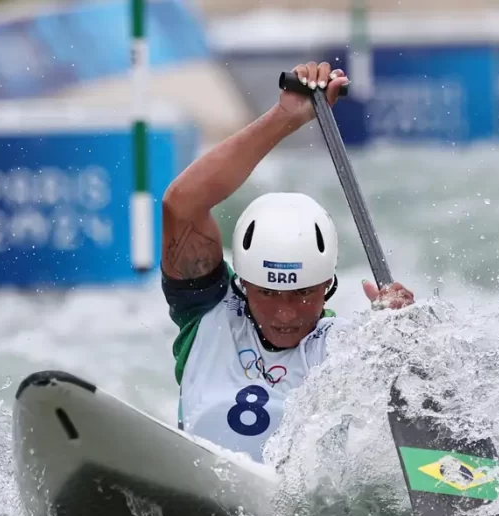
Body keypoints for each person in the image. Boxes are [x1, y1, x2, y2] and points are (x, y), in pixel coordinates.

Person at [160, 61, 415, 463]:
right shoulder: (206, 313)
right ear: (243, 283)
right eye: (267, 293)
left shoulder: (345, 348)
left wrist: (403, 337)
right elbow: (182, 204)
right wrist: (285, 118)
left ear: (327, 284)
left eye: (302, 294)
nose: (284, 313)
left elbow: (404, 385)